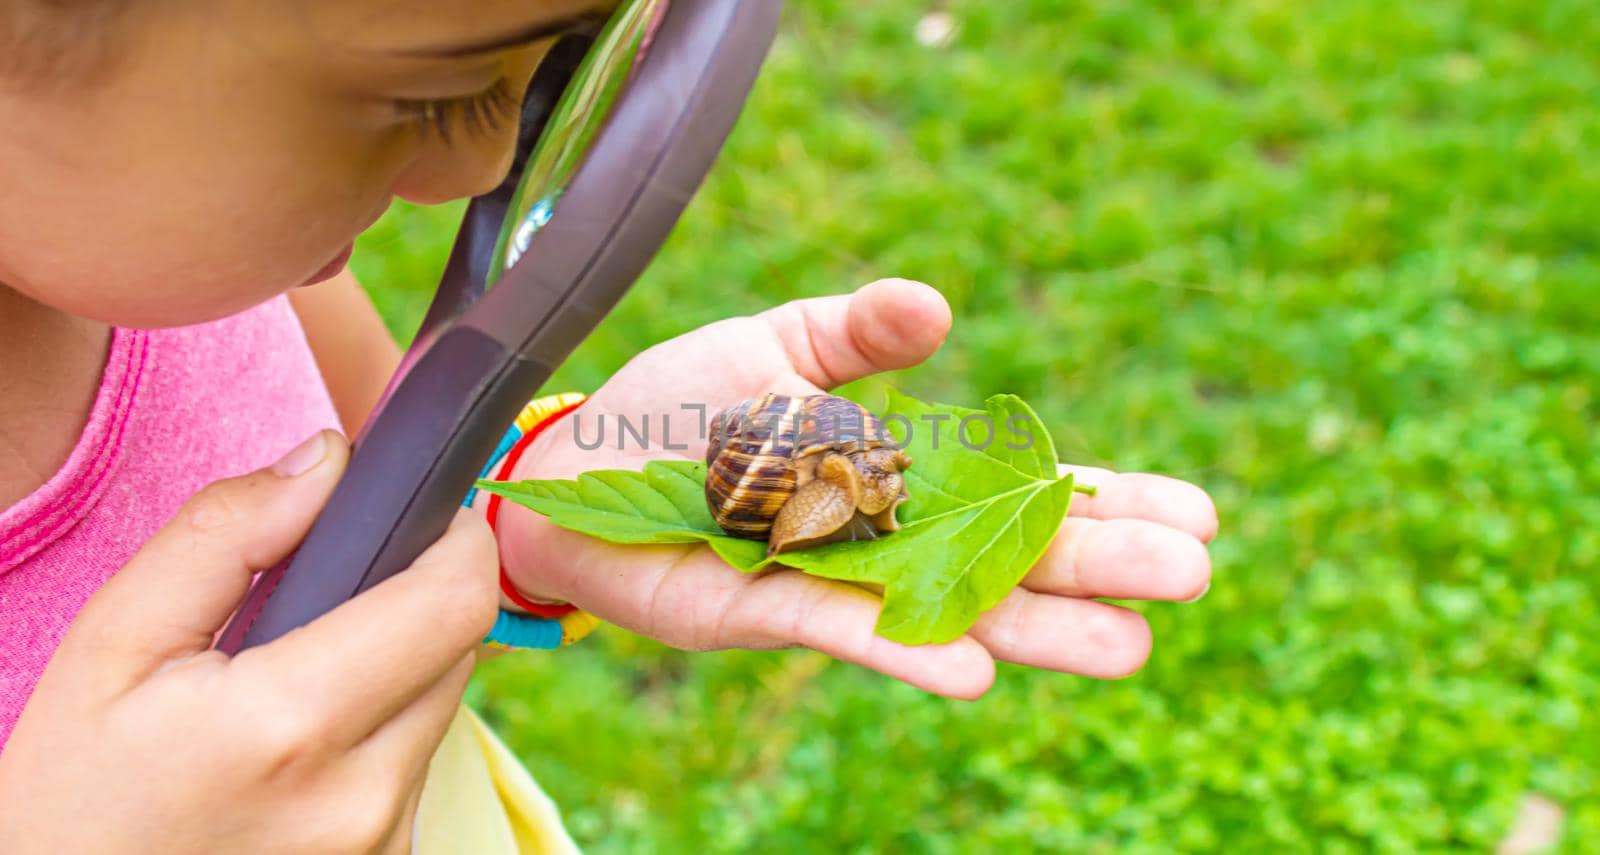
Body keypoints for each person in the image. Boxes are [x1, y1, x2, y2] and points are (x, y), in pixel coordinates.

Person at [0, 1, 1218, 852]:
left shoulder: (233, 277)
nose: (483, 165)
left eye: (532, 80)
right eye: (429, 92)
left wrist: (542, 507)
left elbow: (383, 503)